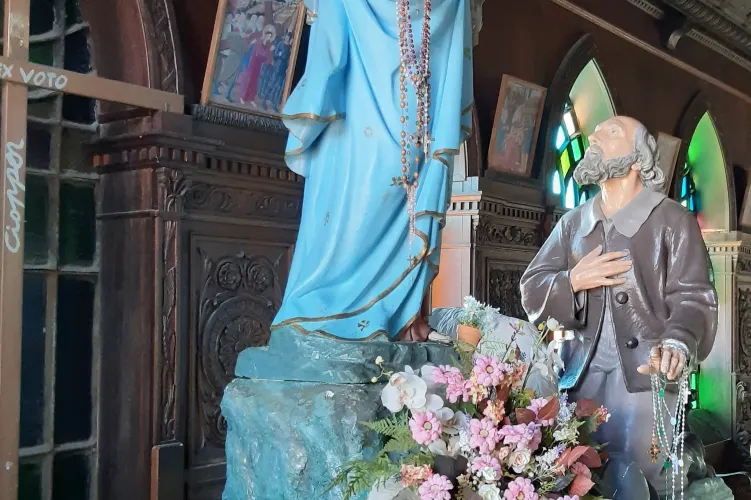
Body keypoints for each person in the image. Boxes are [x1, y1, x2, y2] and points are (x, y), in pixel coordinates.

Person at [520, 116, 718, 498]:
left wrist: (677, 341)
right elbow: (531, 288)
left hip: (647, 375)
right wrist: (572, 281)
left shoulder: (672, 220)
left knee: (645, 478)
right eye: (596, 131)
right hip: (580, 376)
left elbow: (694, 296)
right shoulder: (574, 224)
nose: (595, 135)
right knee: (581, 476)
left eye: (612, 132)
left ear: (638, 157)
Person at [270, 0, 472, 342]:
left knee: (355, 216)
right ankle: (398, 317)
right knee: (370, 211)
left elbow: (328, 54)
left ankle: (399, 315)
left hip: (363, 124)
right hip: (407, 125)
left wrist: (313, 102)